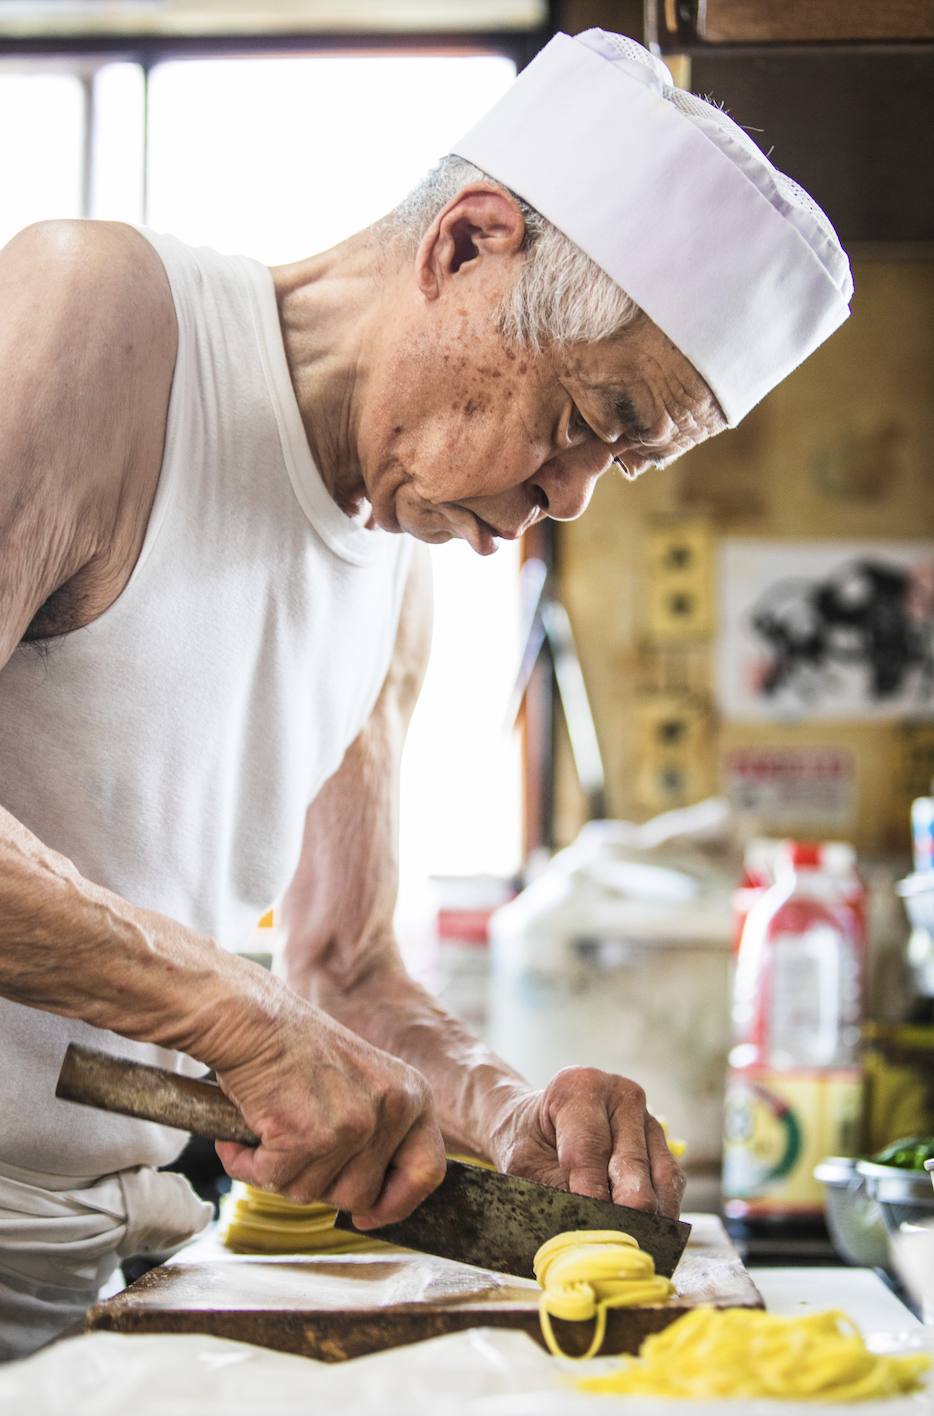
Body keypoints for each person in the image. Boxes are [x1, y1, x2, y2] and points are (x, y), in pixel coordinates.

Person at [0, 29, 851, 1357]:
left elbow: (342, 967)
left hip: (119, 1264)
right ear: (466, 245)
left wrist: (509, 1117)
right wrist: (234, 1017)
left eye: (619, 464)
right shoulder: (98, 316)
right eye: (588, 420)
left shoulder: (396, 555)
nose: (569, 499)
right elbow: (267, 1010)